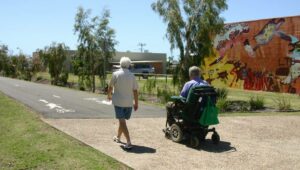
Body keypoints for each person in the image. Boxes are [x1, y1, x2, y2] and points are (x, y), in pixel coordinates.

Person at [107, 57, 138, 149]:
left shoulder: (115, 74)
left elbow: (110, 86)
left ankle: (128, 142)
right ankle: (118, 137)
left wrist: (109, 95)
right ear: (129, 65)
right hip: (129, 103)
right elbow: (135, 91)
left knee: (122, 122)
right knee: (122, 121)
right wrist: (136, 103)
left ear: (120, 64)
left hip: (118, 102)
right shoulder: (132, 76)